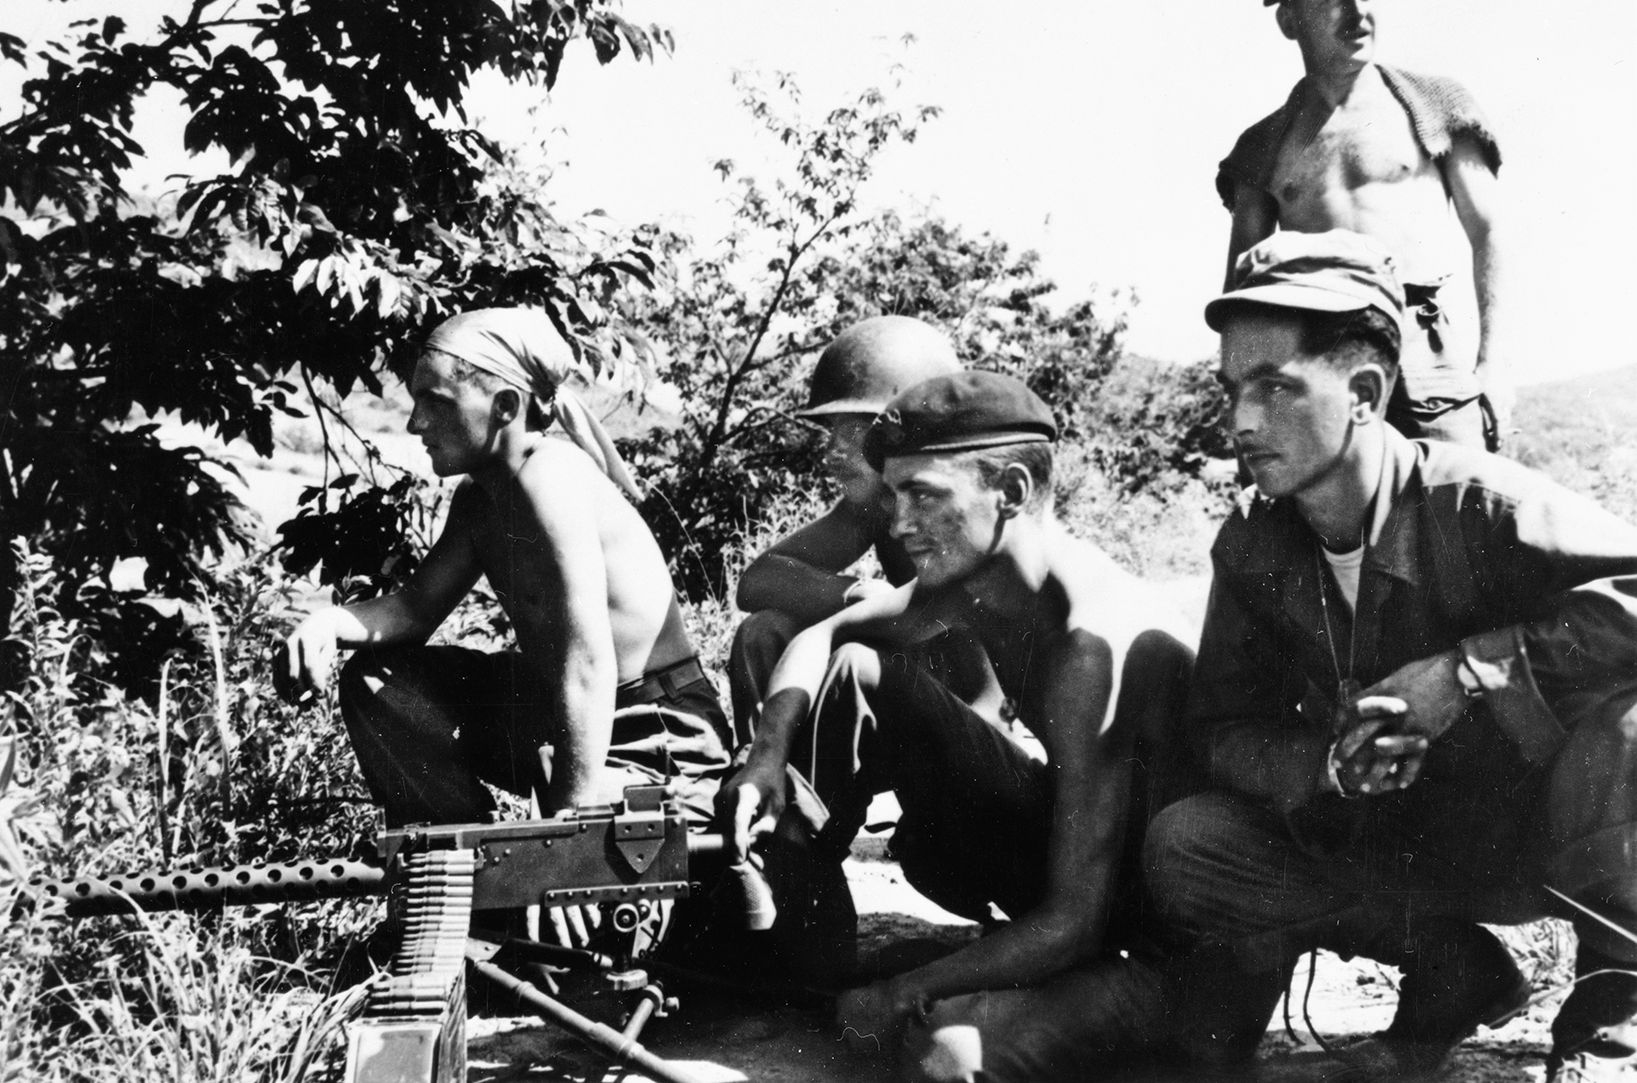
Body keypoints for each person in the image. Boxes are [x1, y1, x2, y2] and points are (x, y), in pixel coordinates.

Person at [1145, 230, 1637, 1083]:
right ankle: (1455, 969)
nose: (1241, 422)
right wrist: (1328, 767)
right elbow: (1222, 725)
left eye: (1274, 387)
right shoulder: (1251, 548)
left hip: (1536, 834)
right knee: (1190, 842)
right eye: (1232, 390)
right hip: (1402, 841)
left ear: (1366, 391)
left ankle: (1612, 1010)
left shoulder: (1479, 503)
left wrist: (1471, 671)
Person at [718, 371, 1195, 1081]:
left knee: (944, 1056)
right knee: (859, 666)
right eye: (893, 493)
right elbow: (823, 635)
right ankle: (800, 943)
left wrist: (901, 991)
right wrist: (765, 754)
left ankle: (984, 982)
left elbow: (1075, 920)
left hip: (1163, 949)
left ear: (1010, 491)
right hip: (1083, 872)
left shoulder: (1091, 641)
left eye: (922, 495)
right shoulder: (980, 577)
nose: (898, 520)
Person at [277, 306, 733, 851]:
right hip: (561, 713)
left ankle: (507, 881)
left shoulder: (552, 478)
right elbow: (415, 610)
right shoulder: (479, 497)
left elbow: (587, 664)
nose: (415, 423)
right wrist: (328, 623)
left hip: (653, 732)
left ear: (505, 407)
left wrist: (568, 835)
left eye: (436, 403)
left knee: (559, 897)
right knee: (379, 682)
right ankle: (457, 862)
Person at [1218, 0, 1512, 450]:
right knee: (1318, 517)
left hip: (1423, 352)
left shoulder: (1434, 107)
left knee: (1459, 509)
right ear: (1290, 22)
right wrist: (1245, 393)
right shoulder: (1262, 147)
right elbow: (1242, 283)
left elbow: (1490, 231)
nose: (1358, 12)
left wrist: (1495, 364)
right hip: (1316, 357)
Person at [728, 315, 962, 745]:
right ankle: (767, 786)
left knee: (854, 660)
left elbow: (989, 701)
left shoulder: (965, 520)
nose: (831, 454)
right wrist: (857, 594)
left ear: (909, 434)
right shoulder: (871, 508)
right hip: (900, 684)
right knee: (762, 631)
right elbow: (757, 581)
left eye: (852, 433)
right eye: (831, 433)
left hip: (957, 724)